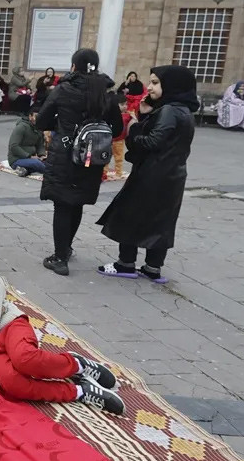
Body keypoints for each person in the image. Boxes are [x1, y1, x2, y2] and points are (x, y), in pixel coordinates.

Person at [0, 225, 123, 413]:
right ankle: (80, 391)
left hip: (10, 327)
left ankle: (78, 365)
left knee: (25, 359)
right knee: (11, 383)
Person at [97, 66, 198, 284]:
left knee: (130, 214)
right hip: (173, 176)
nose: (149, 87)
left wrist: (134, 127)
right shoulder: (184, 111)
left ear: (171, 85)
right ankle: (153, 267)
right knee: (162, 221)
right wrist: (146, 116)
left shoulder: (169, 110)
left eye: (155, 82)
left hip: (151, 175)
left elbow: (152, 142)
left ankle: (125, 263)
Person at [36, 48, 123, 276]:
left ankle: (59, 257)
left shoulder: (64, 89)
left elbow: (42, 120)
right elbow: (117, 128)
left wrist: (63, 125)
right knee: (76, 202)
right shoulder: (105, 93)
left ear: (74, 66)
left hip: (64, 154)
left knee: (62, 204)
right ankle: (66, 248)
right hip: (91, 158)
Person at [7, 106, 47, 177]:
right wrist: (29, 156)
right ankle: (52, 173)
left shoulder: (39, 128)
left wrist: (42, 155)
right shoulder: (21, 127)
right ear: (30, 116)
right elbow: (13, 146)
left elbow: (40, 145)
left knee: (49, 161)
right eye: (36, 116)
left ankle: (25, 170)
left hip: (31, 159)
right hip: (17, 159)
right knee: (36, 163)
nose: (38, 119)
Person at [107, 93, 131, 178]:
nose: (125, 106)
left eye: (126, 104)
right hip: (110, 140)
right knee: (107, 157)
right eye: (122, 104)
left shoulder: (128, 115)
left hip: (120, 140)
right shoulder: (112, 115)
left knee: (119, 157)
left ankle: (118, 172)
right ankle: (104, 172)